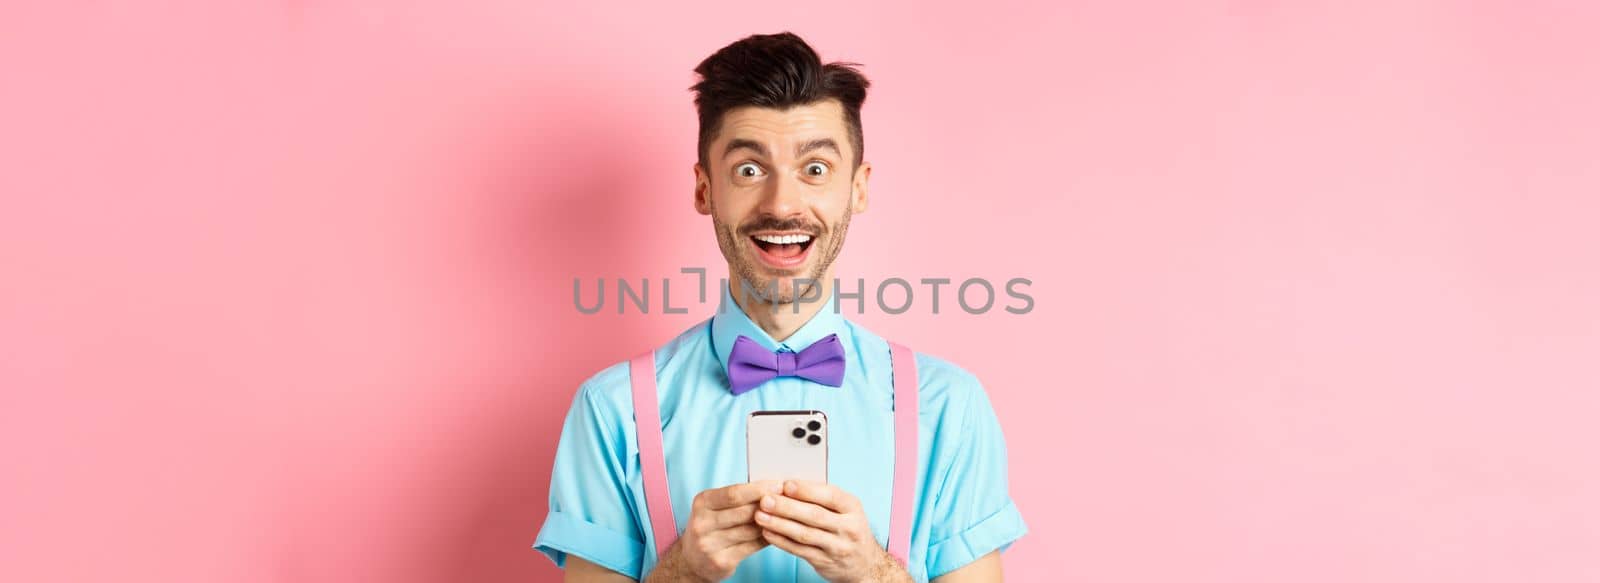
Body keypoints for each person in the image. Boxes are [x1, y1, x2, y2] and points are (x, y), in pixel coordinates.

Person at [533, 31, 1026, 582]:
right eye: (749, 169)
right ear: (704, 190)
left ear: (857, 190)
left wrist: (870, 573)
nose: (782, 204)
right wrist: (683, 572)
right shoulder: (612, 411)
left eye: (815, 169)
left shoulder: (948, 407)